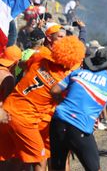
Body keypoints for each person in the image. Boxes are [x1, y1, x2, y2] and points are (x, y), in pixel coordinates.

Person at [0, 36, 86, 171]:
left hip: (7, 110)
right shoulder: (63, 80)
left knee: (9, 160)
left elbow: (22, 64)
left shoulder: (40, 58)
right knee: (40, 160)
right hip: (24, 120)